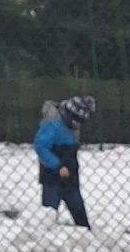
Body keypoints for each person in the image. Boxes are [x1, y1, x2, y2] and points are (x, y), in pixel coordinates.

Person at [33, 94, 93, 225]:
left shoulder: (73, 125)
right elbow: (40, 146)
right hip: (51, 175)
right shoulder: (52, 123)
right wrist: (58, 166)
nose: (77, 125)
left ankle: (85, 230)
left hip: (70, 173)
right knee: (49, 213)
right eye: (75, 121)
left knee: (78, 211)